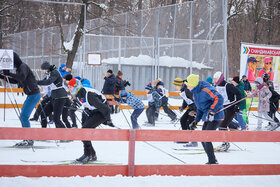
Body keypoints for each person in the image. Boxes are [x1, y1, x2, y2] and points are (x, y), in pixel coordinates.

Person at [0, 52, 41, 147]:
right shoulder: (19, 69)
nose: (12, 65)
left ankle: (29, 139)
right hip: (31, 95)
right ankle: (26, 138)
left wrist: (9, 73)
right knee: (23, 116)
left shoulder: (23, 66)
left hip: (34, 94)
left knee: (24, 116)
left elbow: (22, 77)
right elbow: (16, 80)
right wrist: (2, 76)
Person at [68, 78, 112, 163]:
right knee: (84, 132)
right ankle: (92, 154)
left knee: (84, 130)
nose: (69, 89)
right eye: (68, 87)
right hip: (94, 111)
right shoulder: (79, 93)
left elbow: (105, 108)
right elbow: (78, 103)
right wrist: (71, 108)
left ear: (76, 86)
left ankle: (87, 155)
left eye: (70, 87)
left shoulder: (88, 94)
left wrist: (108, 120)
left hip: (101, 112)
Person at [185, 74, 224, 164]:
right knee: (203, 138)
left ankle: (212, 161)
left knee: (206, 138)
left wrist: (212, 110)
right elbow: (200, 108)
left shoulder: (205, 90)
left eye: (188, 84)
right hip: (207, 117)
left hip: (216, 116)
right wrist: (196, 121)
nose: (187, 86)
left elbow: (219, 98)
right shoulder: (195, 94)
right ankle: (212, 160)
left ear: (193, 84)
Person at [213, 71, 241, 151]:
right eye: (214, 79)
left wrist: (236, 105)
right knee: (221, 124)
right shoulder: (217, 86)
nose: (214, 81)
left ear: (220, 78)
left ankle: (225, 144)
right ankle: (225, 142)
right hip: (223, 107)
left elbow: (239, 94)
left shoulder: (228, 85)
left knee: (222, 125)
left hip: (231, 107)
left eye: (216, 79)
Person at [37, 62, 68, 129]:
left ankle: (65, 135)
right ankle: (44, 132)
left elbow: (48, 82)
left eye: (43, 70)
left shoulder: (54, 72)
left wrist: (35, 82)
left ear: (47, 68)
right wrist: (34, 82)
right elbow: (43, 81)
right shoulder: (50, 73)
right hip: (54, 97)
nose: (43, 71)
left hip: (60, 97)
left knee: (56, 118)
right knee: (43, 114)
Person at [173, 78, 197, 147]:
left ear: (179, 85)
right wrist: (183, 107)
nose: (174, 87)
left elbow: (196, 100)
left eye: (175, 85)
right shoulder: (183, 90)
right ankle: (185, 138)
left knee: (190, 123)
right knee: (183, 120)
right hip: (191, 108)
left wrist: (195, 111)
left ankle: (194, 142)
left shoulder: (187, 90)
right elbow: (186, 99)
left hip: (196, 109)